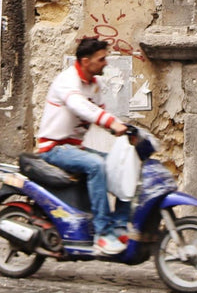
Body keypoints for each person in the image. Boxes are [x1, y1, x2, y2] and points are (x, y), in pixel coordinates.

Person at [36, 36, 133, 255]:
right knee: (97, 165)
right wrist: (112, 123)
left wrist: (123, 128)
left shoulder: (95, 85)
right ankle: (102, 234)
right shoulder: (67, 81)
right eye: (101, 59)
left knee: (121, 166)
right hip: (54, 148)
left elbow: (100, 112)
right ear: (86, 61)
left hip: (74, 149)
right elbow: (82, 108)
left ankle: (118, 225)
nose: (106, 63)